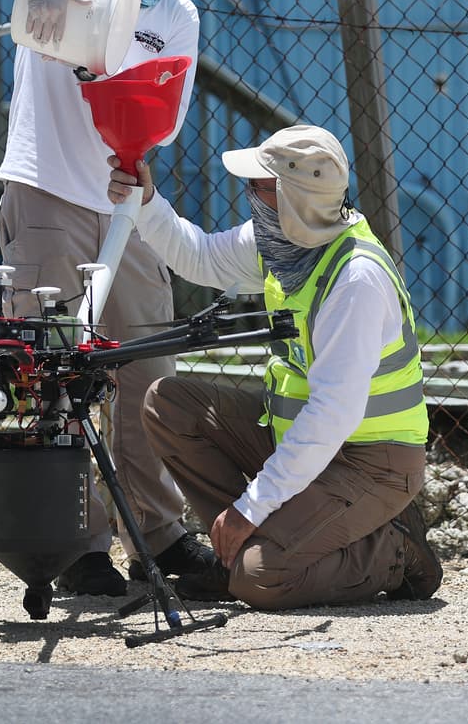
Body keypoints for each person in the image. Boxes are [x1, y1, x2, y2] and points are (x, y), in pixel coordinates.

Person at [0, 0, 225, 596]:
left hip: (124, 206)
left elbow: (167, 120)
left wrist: (126, 127)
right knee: (53, 370)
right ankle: (76, 543)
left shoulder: (177, 15)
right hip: (46, 186)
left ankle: (161, 530)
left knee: (149, 366)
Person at [107, 125, 443, 609]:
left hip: (371, 463)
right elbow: (199, 258)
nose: (248, 197)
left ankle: (396, 551)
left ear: (291, 199)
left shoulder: (356, 281)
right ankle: (242, 548)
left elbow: (332, 416)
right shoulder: (285, 240)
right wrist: (146, 201)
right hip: (301, 440)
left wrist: (250, 507)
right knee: (169, 404)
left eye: (257, 188)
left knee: (262, 580)